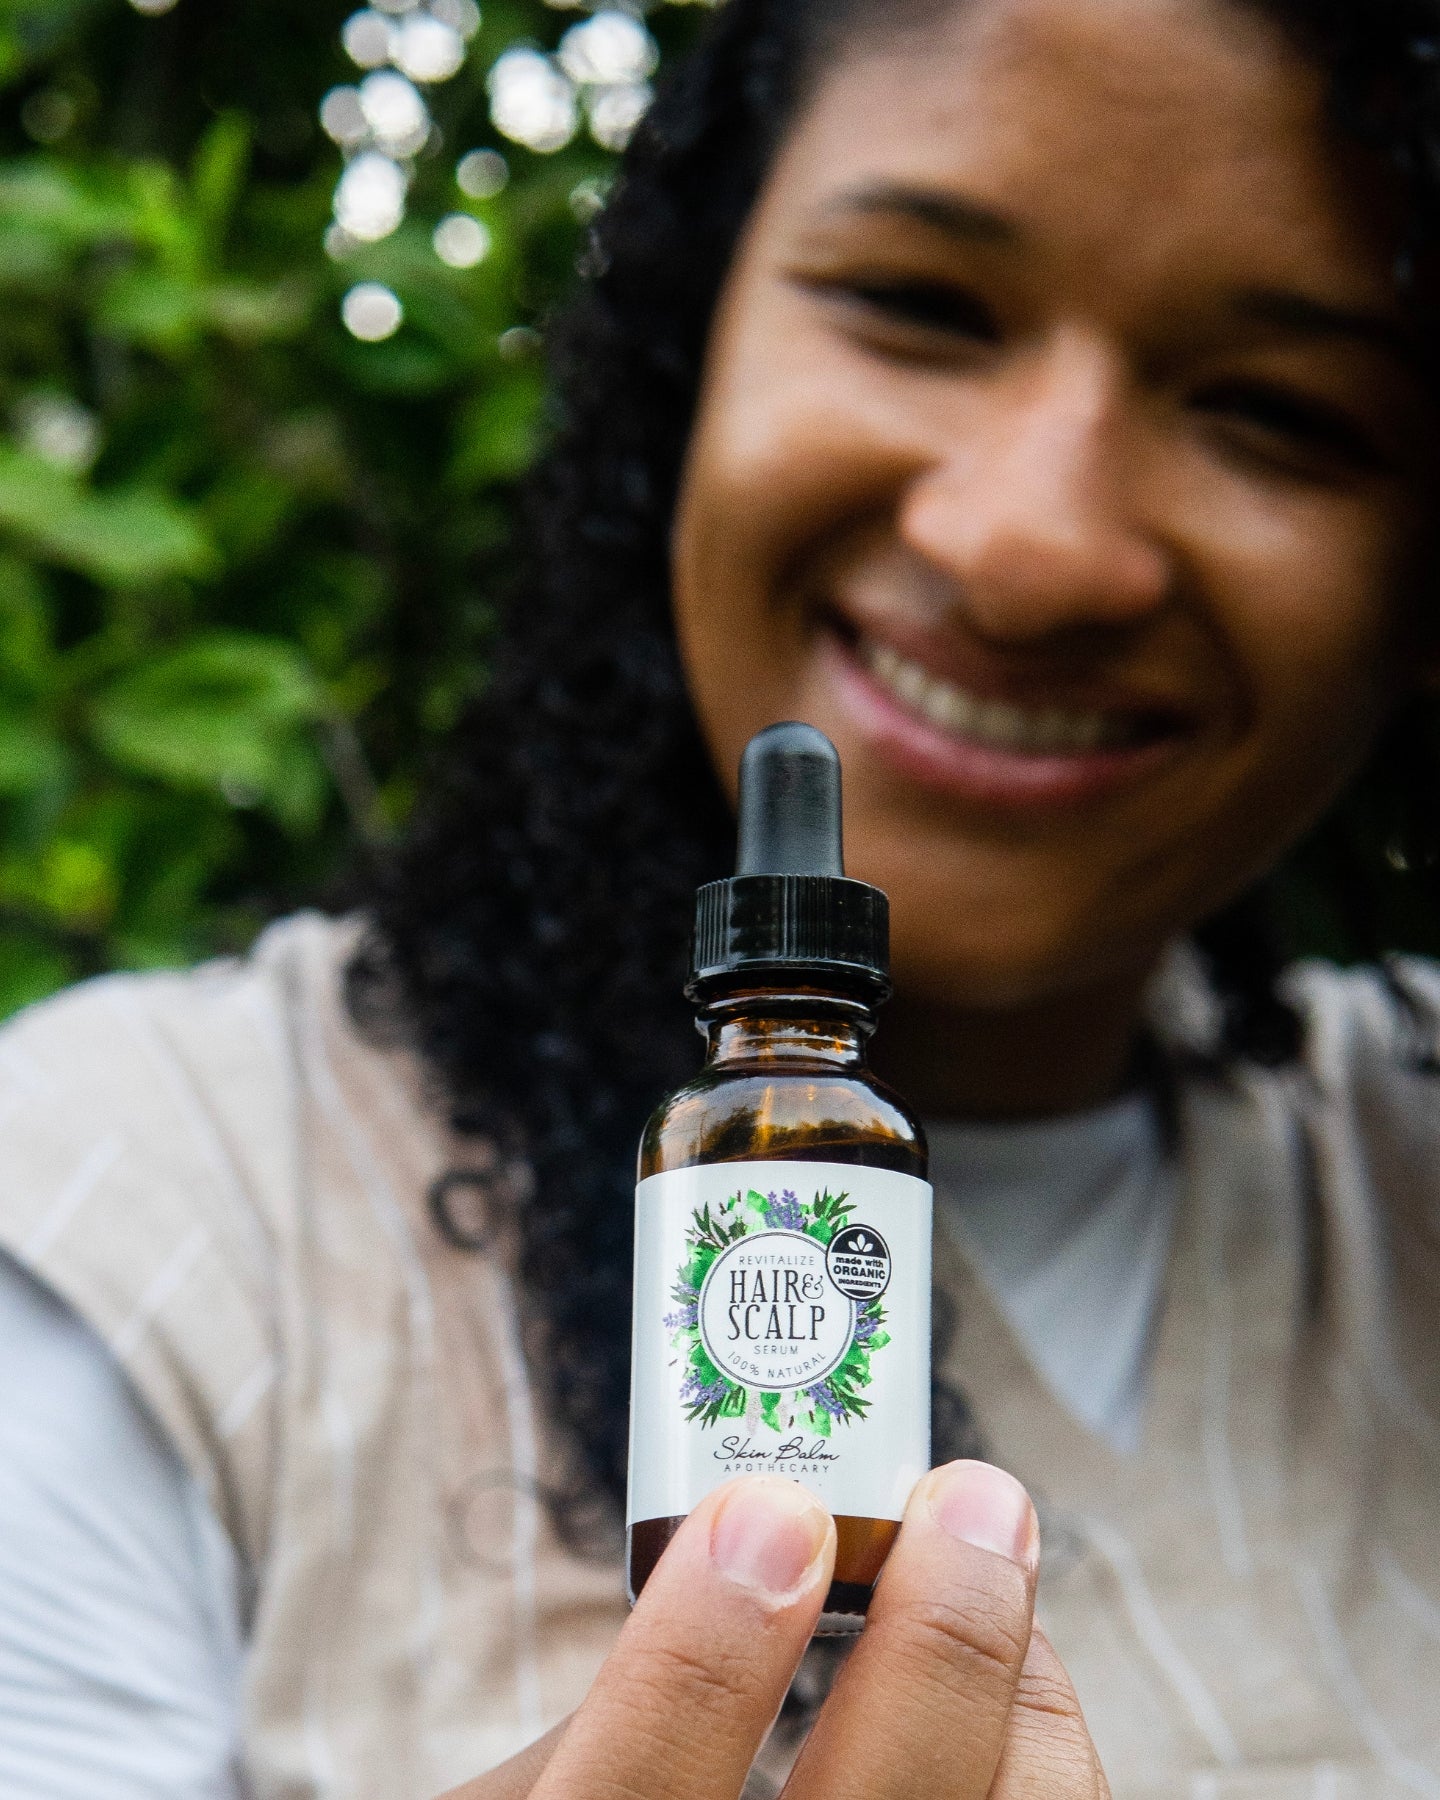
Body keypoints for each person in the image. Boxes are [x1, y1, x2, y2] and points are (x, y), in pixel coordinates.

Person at [2, 0, 1440, 1793]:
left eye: (1282, 408)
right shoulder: (134, 1198)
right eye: (919, 303)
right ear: (689, 347)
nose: (1027, 544)